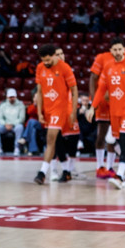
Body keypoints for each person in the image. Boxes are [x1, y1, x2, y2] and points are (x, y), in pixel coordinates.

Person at [85, 37, 125, 188]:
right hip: (114, 111)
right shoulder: (108, 67)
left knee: (124, 141)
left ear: (124, 49)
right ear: (110, 51)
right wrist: (92, 107)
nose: (118, 52)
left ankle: (119, 175)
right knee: (118, 142)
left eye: (120, 49)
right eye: (115, 50)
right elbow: (101, 89)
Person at [33, 44, 78, 184]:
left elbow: (75, 90)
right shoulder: (40, 67)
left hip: (60, 109)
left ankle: (42, 173)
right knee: (57, 142)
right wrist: (39, 112)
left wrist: (74, 111)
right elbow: (39, 92)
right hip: (48, 109)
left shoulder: (64, 68)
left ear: (54, 55)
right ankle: (66, 171)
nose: (45, 63)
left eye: (48, 60)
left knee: (50, 139)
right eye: (43, 60)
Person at [89, 47, 117, 178]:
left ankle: (110, 167)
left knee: (113, 137)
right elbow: (93, 77)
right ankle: (99, 166)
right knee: (101, 135)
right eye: (115, 49)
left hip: (117, 101)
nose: (118, 52)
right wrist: (94, 99)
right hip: (103, 103)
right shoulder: (102, 57)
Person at [0, 88, 25, 155]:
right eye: (10, 97)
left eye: (13, 97)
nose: (11, 98)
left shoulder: (21, 105)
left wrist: (12, 124)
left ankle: (17, 148)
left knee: (20, 127)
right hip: (5, 125)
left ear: (16, 96)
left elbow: (22, 118)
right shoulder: (3, 105)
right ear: (7, 97)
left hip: (15, 125)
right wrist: (5, 124)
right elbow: (0, 118)